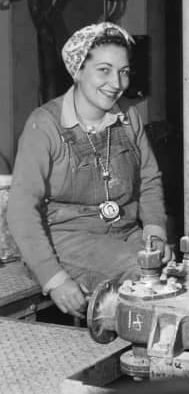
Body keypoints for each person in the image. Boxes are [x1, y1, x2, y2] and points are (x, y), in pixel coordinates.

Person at [7, 22, 168, 317]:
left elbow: (149, 179)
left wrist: (155, 231)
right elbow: (20, 210)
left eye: (124, 71)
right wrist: (54, 279)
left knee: (173, 271)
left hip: (126, 231)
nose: (117, 83)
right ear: (78, 71)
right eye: (104, 70)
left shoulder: (129, 117)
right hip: (67, 238)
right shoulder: (44, 124)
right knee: (142, 274)